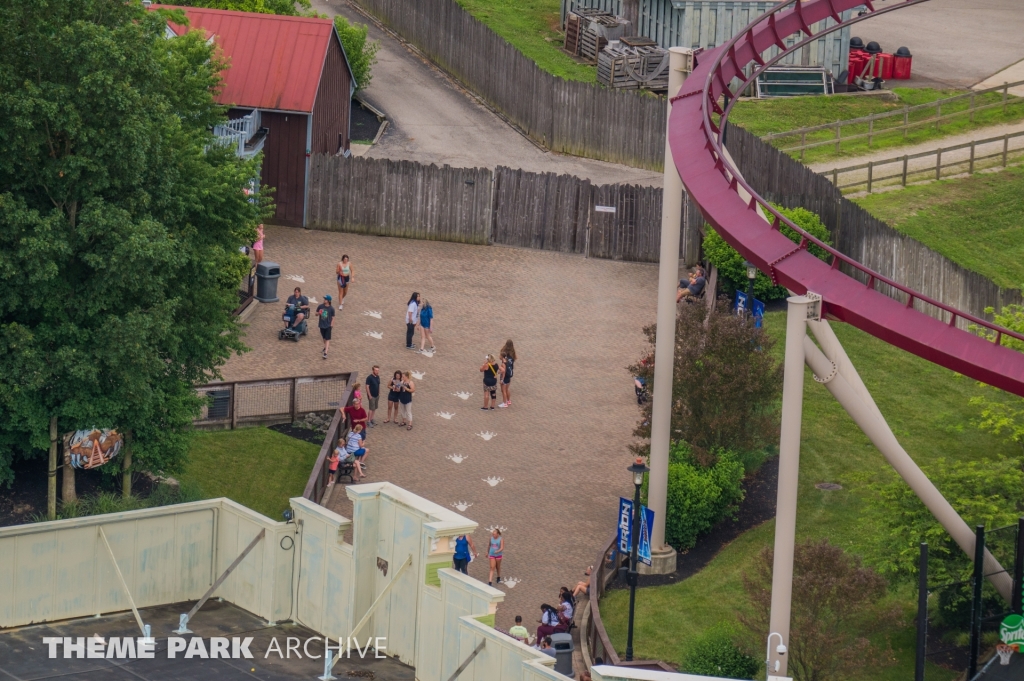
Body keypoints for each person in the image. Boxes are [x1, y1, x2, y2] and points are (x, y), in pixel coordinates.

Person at [316, 295, 336, 359]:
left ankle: (325, 353)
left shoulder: (331, 309)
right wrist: (319, 313)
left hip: (328, 326)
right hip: (321, 325)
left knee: (327, 339)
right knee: (324, 338)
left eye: (325, 299)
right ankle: (326, 347)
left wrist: (331, 325)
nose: (324, 300)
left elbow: (333, 318)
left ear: (328, 301)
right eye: (324, 299)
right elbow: (316, 314)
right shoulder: (320, 306)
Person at [498, 339, 516, 408]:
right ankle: (508, 401)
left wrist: (501, 379)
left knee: (503, 390)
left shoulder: (503, 363)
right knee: (507, 389)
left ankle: (504, 403)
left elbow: (503, 371)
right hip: (510, 374)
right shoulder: (513, 354)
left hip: (505, 376)